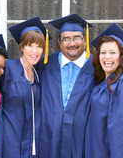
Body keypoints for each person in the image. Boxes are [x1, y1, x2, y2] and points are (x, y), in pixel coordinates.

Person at [37, 13, 97, 158]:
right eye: (66, 39)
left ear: (85, 39)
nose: (72, 43)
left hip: (82, 142)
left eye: (77, 37)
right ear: (59, 42)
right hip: (48, 140)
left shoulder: (97, 65)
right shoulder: (44, 64)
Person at [85, 23, 123, 157]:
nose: (107, 57)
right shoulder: (104, 81)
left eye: (113, 52)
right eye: (103, 52)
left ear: (121, 56)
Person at [0, 16, 48, 157]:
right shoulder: (6, 69)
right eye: (30, 45)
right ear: (22, 47)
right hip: (9, 141)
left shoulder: (40, 73)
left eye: (39, 46)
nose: (35, 51)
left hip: (33, 142)